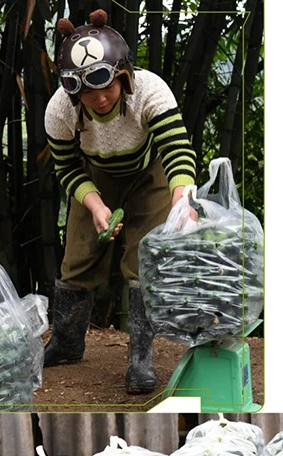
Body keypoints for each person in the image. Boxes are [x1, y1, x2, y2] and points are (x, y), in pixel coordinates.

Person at [43, 9, 197, 394]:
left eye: (106, 86)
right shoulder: (59, 110)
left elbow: (177, 151)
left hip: (150, 174)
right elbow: (66, 168)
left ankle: (140, 358)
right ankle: (67, 342)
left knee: (144, 260)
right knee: (77, 257)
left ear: (124, 75)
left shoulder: (151, 91)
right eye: (86, 91)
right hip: (95, 179)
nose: (98, 98)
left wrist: (183, 201)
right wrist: (94, 207)